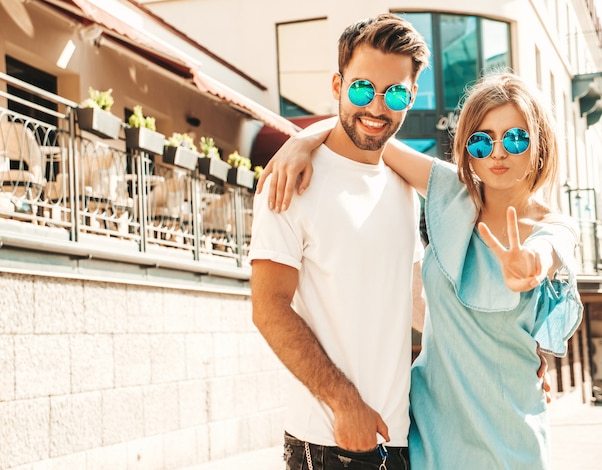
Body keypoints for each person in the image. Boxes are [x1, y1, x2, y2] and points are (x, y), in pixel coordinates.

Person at [258, 71, 584, 469]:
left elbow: (544, 253)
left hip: (511, 439)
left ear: (540, 145)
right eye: (482, 140)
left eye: (516, 138)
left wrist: (528, 266)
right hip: (431, 434)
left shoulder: (555, 228)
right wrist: (301, 140)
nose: (498, 152)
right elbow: (368, 134)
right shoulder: (449, 191)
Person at [248, 13, 430, 469]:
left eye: (395, 94)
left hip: (403, 435)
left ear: (411, 97)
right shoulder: (290, 181)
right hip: (331, 442)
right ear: (337, 85)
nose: (376, 108)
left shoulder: (403, 185)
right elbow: (268, 306)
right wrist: (343, 402)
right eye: (362, 88)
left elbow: (415, 300)